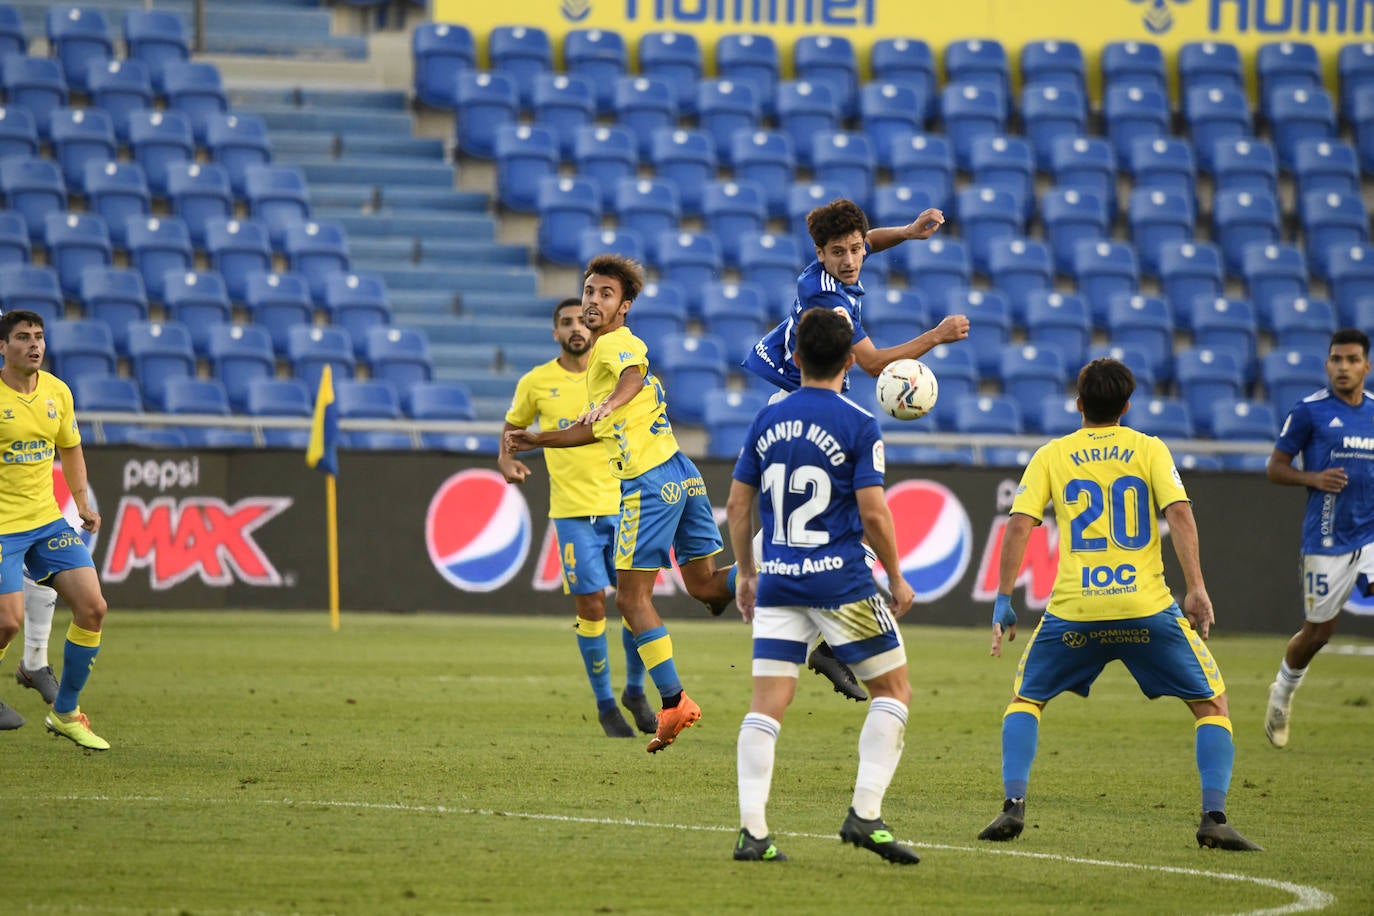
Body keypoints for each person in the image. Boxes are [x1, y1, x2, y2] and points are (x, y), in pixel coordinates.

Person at [979, 357, 1260, 851]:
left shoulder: (1052, 453)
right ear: (1127, 406)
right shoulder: (1149, 448)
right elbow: (1180, 514)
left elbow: (1019, 524)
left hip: (1075, 610)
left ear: (1079, 403)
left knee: (1026, 699)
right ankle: (1213, 818)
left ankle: (1013, 806)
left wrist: (1004, 599)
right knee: (1211, 703)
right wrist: (1195, 587)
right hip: (1145, 606)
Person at [742, 197, 971, 702]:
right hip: (803, 402)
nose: (850, 259)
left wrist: (909, 232)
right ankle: (826, 641)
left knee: (812, 530)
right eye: (838, 252)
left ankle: (811, 634)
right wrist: (936, 335)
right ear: (819, 254)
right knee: (854, 516)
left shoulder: (838, 266)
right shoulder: (831, 302)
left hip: (811, 398)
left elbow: (871, 240)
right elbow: (871, 365)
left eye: (854, 249)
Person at [505, 255, 735, 754]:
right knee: (709, 588)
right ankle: (779, 570)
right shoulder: (603, 360)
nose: (592, 300)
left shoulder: (616, 345)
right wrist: (538, 439)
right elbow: (589, 429)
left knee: (631, 601)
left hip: (647, 483)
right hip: (682, 472)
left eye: (605, 294)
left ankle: (672, 700)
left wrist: (610, 403)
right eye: (588, 291)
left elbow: (631, 377)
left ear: (624, 306)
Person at [726, 307, 921, 864]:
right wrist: (897, 576)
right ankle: (864, 816)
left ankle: (752, 833)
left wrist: (746, 571)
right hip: (842, 584)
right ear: (847, 362)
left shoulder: (768, 418)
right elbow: (874, 513)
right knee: (893, 692)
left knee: (767, 704)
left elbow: (739, 504)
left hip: (780, 580)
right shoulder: (860, 422)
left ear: (794, 357)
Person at [498, 297, 657, 738]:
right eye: (564, 322)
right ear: (555, 333)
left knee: (635, 603)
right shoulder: (536, 381)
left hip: (623, 503)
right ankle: (607, 705)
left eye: (578, 320)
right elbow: (512, 426)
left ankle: (635, 690)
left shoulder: (609, 372)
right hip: (571, 512)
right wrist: (504, 459)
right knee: (591, 606)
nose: (574, 327)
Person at [0, 310, 111, 750]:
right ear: (3, 347)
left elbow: (71, 448)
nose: (35, 345)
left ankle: (65, 712)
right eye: (23, 337)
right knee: (8, 621)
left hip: (46, 522)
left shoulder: (57, 393)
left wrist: (81, 503)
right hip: (3, 528)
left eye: (40, 337)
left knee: (93, 607)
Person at [1263, 328, 1374, 749]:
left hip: (1371, 533)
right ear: (1327, 364)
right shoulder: (1309, 411)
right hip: (1327, 537)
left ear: (1366, 366)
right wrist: (1313, 478)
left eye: (1351, 360)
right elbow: (1275, 466)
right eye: (1336, 360)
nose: (1343, 367)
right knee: (1318, 633)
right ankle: (1282, 694)